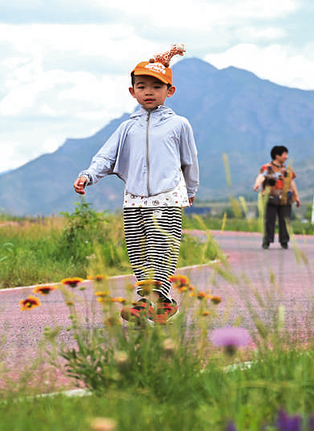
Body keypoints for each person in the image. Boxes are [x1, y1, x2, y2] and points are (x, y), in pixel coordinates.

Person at [73, 45, 198, 325]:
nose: (149, 92)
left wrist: (190, 191)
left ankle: (146, 303)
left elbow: (189, 160)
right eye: (142, 86)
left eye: (157, 86)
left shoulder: (179, 125)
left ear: (170, 91)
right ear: (132, 92)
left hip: (167, 198)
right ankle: (163, 304)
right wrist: (88, 175)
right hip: (134, 200)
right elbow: (106, 156)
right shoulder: (127, 127)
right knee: (138, 252)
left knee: (158, 248)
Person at [254, 145, 301, 250]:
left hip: (286, 198)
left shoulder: (287, 169)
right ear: (277, 155)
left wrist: (296, 196)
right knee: (269, 219)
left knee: (286, 220)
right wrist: (257, 184)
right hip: (271, 197)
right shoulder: (267, 167)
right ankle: (267, 240)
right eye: (285, 154)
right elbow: (261, 176)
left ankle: (284, 241)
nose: (286, 157)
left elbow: (291, 183)